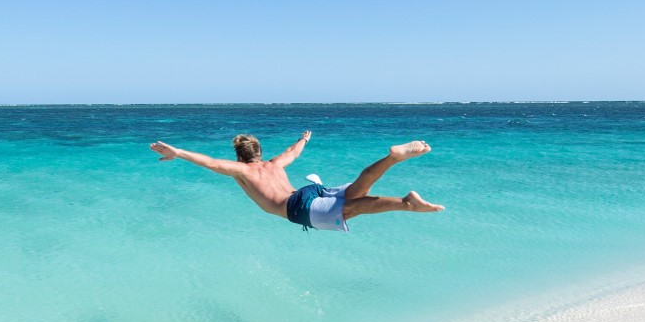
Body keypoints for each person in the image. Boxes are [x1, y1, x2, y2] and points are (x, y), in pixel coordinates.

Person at [149, 130, 445, 232]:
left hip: (296, 208)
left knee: (353, 208)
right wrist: (303, 139)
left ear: (239, 158)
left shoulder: (242, 171)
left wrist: (179, 153)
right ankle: (392, 159)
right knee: (356, 192)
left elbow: (211, 162)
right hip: (308, 192)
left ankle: (407, 204)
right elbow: (293, 152)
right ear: (260, 153)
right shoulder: (275, 163)